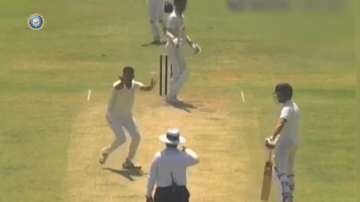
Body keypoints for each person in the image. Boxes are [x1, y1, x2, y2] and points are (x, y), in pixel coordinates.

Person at [99, 66, 155, 169]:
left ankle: (128, 161)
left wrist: (151, 86)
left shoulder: (134, 85)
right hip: (113, 116)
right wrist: (123, 82)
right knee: (122, 138)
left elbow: (145, 88)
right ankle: (105, 152)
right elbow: (118, 87)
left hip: (127, 116)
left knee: (137, 137)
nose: (128, 77)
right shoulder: (117, 85)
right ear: (123, 75)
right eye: (126, 75)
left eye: (130, 75)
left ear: (133, 76)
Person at [265, 83, 300, 202]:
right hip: (294, 144)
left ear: (284, 94)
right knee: (289, 172)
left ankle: (286, 198)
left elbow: (281, 123)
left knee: (280, 171)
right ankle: (290, 195)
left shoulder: (286, 109)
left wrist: (272, 138)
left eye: (278, 93)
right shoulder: (295, 106)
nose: (277, 96)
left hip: (284, 145)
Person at [146, 128, 199, 202]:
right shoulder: (183, 156)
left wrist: (148, 195)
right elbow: (196, 159)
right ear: (178, 142)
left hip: (162, 194)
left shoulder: (158, 157)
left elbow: (151, 178)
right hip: (180, 193)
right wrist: (186, 150)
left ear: (165, 142)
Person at [165, 0, 201, 104]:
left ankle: (172, 96)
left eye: (185, 4)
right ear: (176, 4)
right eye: (182, 4)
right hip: (172, 48)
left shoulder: (181, 17)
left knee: (184, 72)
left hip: (178, 48)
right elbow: (168, 32)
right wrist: (174, 39)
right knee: (178, 73)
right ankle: (171, 97)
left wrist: (192, 45)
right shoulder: (173, 17)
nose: (184, 6)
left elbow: (184, 34)